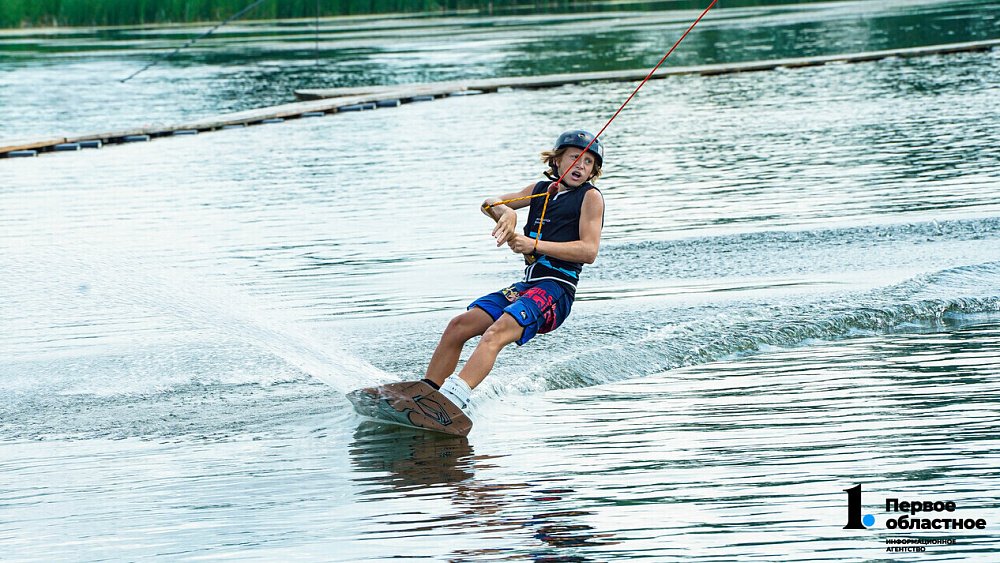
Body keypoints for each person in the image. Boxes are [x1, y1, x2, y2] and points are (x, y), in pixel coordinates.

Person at [422, 130, 606, 412]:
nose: (580, 166)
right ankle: (426, 394)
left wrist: (534, 244)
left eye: (588, 162)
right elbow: (489, 204)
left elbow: (589, 251)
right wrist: (507, 213)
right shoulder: (540, 190)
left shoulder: (590, 197)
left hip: (556, 291)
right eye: (574, 158)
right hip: (528, 286)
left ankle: (451, 402)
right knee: (459, 326)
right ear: (557, 160)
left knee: (495, 332)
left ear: (593, 171)